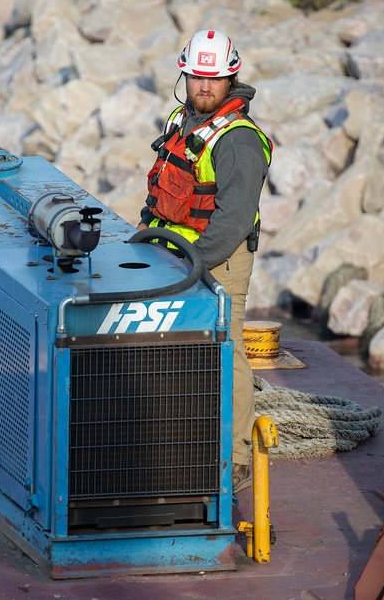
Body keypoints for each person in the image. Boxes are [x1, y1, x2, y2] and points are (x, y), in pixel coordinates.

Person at [137, 29, 272, 494]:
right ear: (186, 75)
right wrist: (147, 236)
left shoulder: (239, 142)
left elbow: (233, 220)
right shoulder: (184, 119)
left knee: (226, 352)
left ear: (231, 79)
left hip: (218, 262)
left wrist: (195, 266)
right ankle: (178, 439)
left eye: (215, 79)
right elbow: (164, 186)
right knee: (176, 349)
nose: (205, 87)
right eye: (198, 77)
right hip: (175, 254)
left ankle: (235, 459)